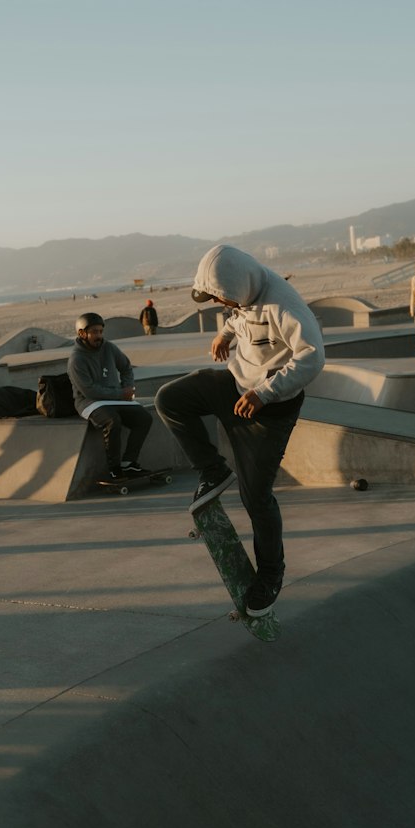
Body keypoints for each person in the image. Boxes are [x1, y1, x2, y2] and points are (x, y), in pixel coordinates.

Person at [154, 244, 325, 618]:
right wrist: (227, 333)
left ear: (238, 289)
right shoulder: (242, 293)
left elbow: (313, 356)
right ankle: (212, 469)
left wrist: (265, 393)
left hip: (270, 410)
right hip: (234, 388)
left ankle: (270, 574)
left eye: (221, 299)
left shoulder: (284, 306)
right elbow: (240, 314)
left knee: (257, 498)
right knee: (169, 399)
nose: (220, 304)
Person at [67, 312, 152, 480]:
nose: (99, 336)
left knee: (144, 418)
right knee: (112, 421)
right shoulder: (77, 359)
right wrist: (121, 393)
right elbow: (90, 391)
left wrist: (128, 387)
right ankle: (114, 468)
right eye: (94, 332)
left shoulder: (108, 347)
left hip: (115, 398)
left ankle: (129, 463)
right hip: (90, 403)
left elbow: (126, 367)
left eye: (100, 331)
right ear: (82, 334)